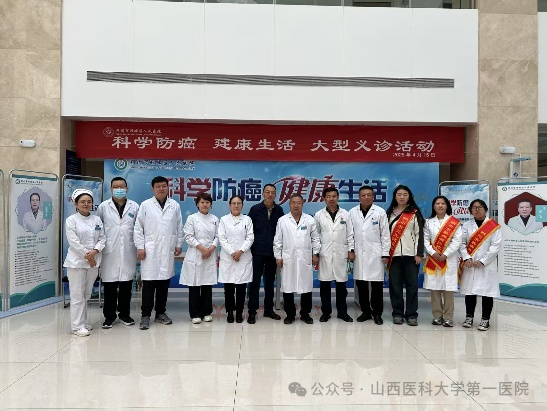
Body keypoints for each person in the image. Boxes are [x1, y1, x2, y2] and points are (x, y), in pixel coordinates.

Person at [134, 176, 183, 330]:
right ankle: (145, 316)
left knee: (163, 284)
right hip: (150, 250)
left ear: (168, 187)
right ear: (153, 189)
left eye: (164, 186)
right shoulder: (145, 205)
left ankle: (161, 313)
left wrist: (179, 244)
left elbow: (179, 227)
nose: (161, 189)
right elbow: (138, 228)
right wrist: (140, 247)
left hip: (167, 250)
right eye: (158, 186)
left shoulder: (174, 205)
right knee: (149, 284)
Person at [96, 177, 139, 329]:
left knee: (126, 285)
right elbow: (98, 228)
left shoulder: (134, 206)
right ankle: (109, 316)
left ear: (127, 188)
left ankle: (124, 314)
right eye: (116, 186)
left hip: (128, 250)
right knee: (110, 286)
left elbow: (138, 229)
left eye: (122, 186)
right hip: (109, 249)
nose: (119, 189)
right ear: (111, 189)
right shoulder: (103, 207)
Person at [64, 189, 106, 337]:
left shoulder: (97, 220)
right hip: (76, 263)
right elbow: (74, 242)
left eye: (89, 202)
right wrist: (89, 256)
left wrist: (95, 251)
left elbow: (102, 238)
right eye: (82, 202)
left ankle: (83, 322)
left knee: (86, 294)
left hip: (93, 262)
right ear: (76, 204)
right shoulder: (71, 220)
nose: (86, 204)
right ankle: (77, 326)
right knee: (77, 295)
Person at [273, 194, 320, 325]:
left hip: (305, 258)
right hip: (288, 258)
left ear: (302, 204)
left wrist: (315, 253)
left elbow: (315, 239)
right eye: (293, 202)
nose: (296, 205)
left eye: (298, 203)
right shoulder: (282, 220)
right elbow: (278, 240)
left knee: (306, 287)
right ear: (289, 204)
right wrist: (278, 256)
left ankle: (305, 314)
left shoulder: (309, 220)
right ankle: (290, 315)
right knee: (288, 287)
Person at [348, 185, 390, 325]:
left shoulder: (380, 212)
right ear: (359, 197)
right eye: (363, 195)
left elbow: (385, 234)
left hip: (375, 253)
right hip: (359, 253)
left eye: (369, 195)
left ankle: (377, 313)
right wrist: (351, 250)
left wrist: (385, 253)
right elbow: (350, 234)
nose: (366, 197)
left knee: (377, 285)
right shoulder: (352, 212)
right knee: (361, 284)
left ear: (373, 197)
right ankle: (365, 311)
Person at [459, 199, 501, 331]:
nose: (477, 210)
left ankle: (485, 319)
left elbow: (495, 246)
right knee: (470, 292)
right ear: (470, 210)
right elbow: (462, 243)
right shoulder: (466, 225)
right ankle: (469, 317)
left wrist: (483, 261)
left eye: (480, 207)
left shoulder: (493, 226)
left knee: (487, 293)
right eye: (474, 208)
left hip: (487, 265)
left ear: (485, 209)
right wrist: (467, 257)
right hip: (470, 263)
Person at [386, 185, 425, 326]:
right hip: (394, 256)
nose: (402, 197)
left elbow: (419, 234)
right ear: (395, 196)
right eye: (399, 194)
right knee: (395, 286)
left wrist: (419, 253)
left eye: (405, 194)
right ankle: (397, 313)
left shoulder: (414, 213)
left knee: (412, 286)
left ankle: (411, 314)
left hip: (411, 255)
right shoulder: (389, 213)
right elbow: (385, 236)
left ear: (409, 196)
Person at [314, 187, 354, 323]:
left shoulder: (345, 214)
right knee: (325, 285)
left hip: (341, 254)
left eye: (334, 196)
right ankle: (326, 313)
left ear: (338, 197)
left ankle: (342, 312)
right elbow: (315, 236)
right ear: (324, 198)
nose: (331, 199)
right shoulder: (319, 215)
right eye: (328, 196)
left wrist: (351, 250)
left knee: (341, 286)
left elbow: (350, 234)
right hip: (324, 254)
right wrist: (316, 252)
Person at [247, 184, 285, 324]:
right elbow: (248, 230)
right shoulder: (255, 209)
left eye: (272, 193)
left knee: (270, 283)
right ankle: (252, 311)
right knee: (255, 282)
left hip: (272, 252)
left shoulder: (279, 210)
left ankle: (269, 309)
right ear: (263, 194)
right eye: (267, 192)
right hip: (257, 251)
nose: (270, 195)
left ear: (275, 195)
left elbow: (281, 231)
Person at [180, 192, 219, 324]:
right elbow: (188, 236)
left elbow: (218, 236)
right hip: (196, 254)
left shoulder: (215, 219)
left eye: (207, 202)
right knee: (195, 285)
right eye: (202, 202)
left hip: (210, 254)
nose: (204, 205)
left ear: (211, 204)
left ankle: (207, 312)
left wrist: (210, 249)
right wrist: (202, 248)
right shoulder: (192, 218)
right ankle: (195, 314)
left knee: (207, 285)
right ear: (197, 204)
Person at [423, 195, 462, 327]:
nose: (440, 206)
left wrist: (445, 254)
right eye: (437, 203)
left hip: (448, 259)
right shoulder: (428, 222)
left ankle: (448, 317)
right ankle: (437, 316)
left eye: (443, 203)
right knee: (435, 289)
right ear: (434, 206)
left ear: (447, 206)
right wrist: (433, 252)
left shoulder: (454, 222)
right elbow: (425, 240)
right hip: (433, 260)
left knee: (448, 290)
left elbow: (457, 241)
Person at [218, 195, 254, 323]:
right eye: (234, 203)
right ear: (230, 205)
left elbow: (250, 237)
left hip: (243, 257)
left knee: (241, 288)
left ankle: (239, 313)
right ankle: (229, 312)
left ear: (242, 205)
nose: (236, 205)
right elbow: (222, 238)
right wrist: (233, 252)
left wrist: (240, 251)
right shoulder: (223, 220)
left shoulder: (247, 220)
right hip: (228, 257)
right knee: (228, 288)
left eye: (239, 203)